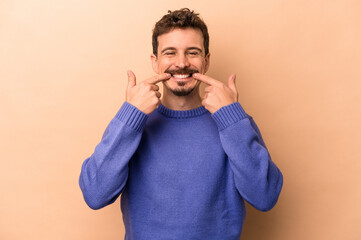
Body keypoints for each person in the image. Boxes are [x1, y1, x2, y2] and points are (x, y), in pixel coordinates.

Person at [79, 8, 283, 240]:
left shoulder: (233, 121)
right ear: (155, 62)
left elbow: (265, 196)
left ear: (206, 61)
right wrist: (130, 115)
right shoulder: (133, 122)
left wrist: (232, 118)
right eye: (170, 53)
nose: (182, 63)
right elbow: (95, 195)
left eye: (192, 52)